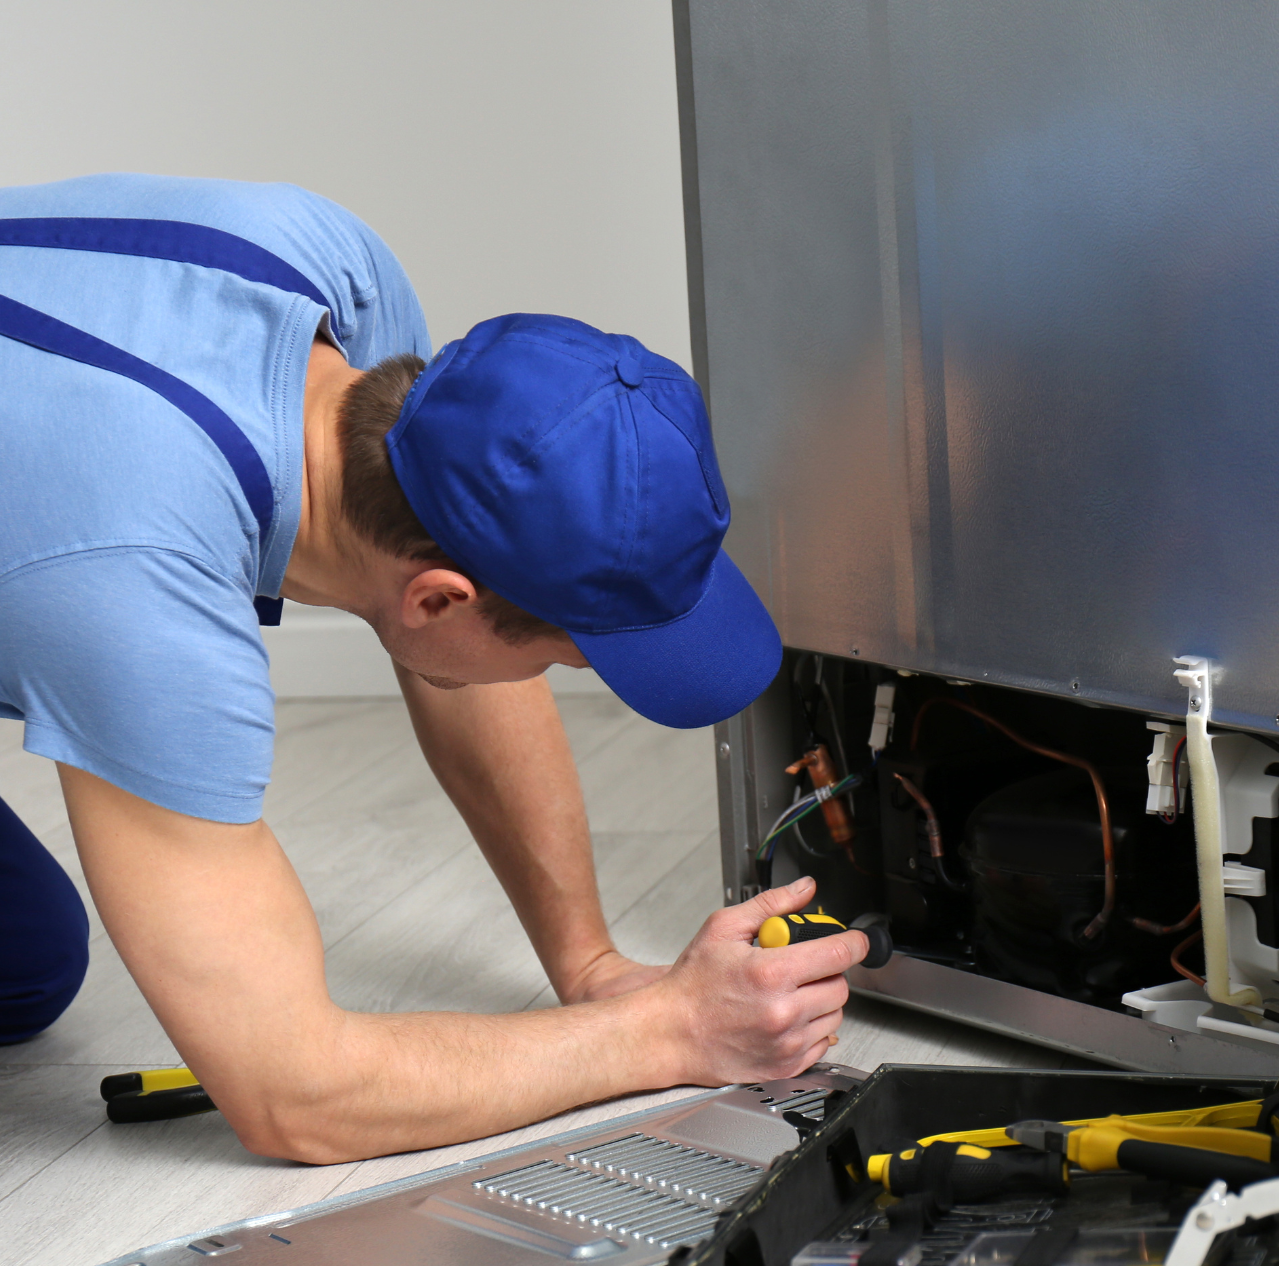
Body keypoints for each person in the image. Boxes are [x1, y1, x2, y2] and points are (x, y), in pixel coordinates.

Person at [0, 173, 866, 1163]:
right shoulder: (140, 590)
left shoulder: (346, 293)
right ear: (440, 599)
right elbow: (297, 1096)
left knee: (27, 962)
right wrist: (666, 1031)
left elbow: (461, 668)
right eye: (568, 655)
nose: (557, 671)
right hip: (75, 536)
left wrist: (587, 965)